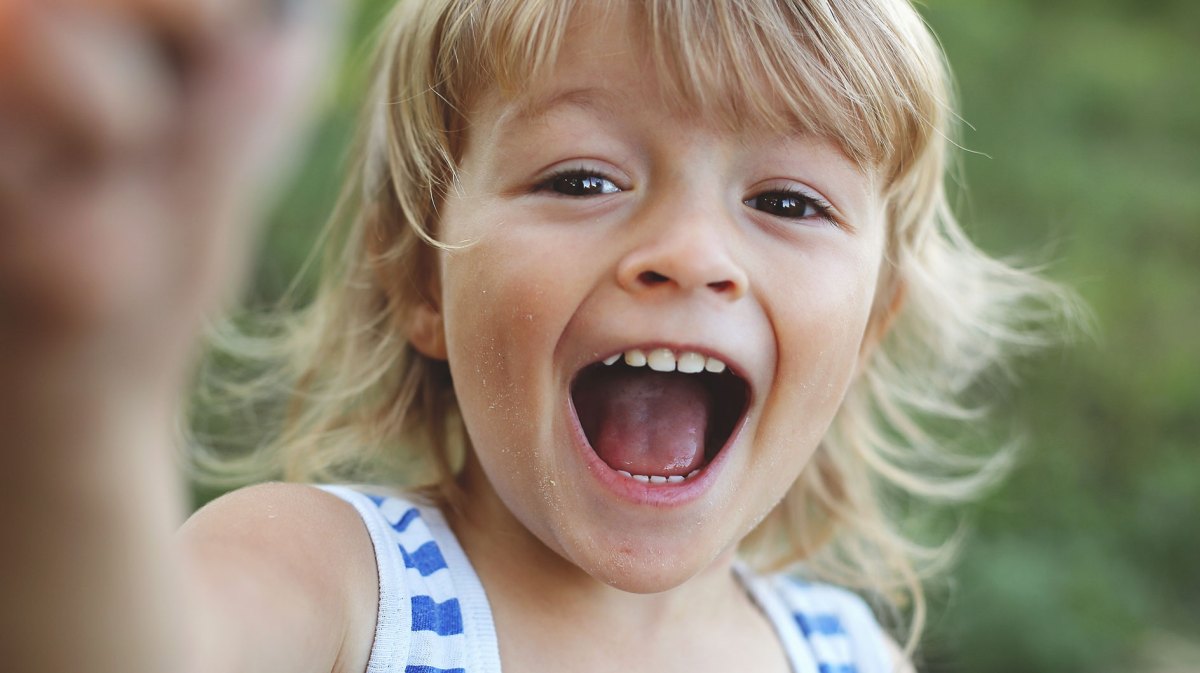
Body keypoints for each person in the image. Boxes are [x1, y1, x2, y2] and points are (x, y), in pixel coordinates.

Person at [0, 0, 1073, 671]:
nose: (693, 253)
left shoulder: (850, 658)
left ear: (872, 322)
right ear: (421, 273)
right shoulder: (333, 584)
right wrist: (74, 395)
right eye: (582, 177)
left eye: (790, 203)